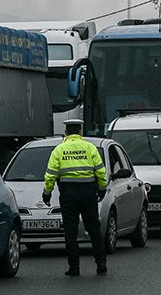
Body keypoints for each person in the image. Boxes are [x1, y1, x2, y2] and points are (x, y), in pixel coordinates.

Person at [42, 118, 109, 277]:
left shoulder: (59, 150)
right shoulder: (90, 148)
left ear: (66, 132)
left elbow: (51, 174)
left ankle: (74, 267)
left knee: (70, 230)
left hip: (68, 194)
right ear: (80, 132)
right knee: (93, 228)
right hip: (88, 192)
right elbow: (100, 171)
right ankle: (101, 264)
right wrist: (102, 189)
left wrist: (47, 192)